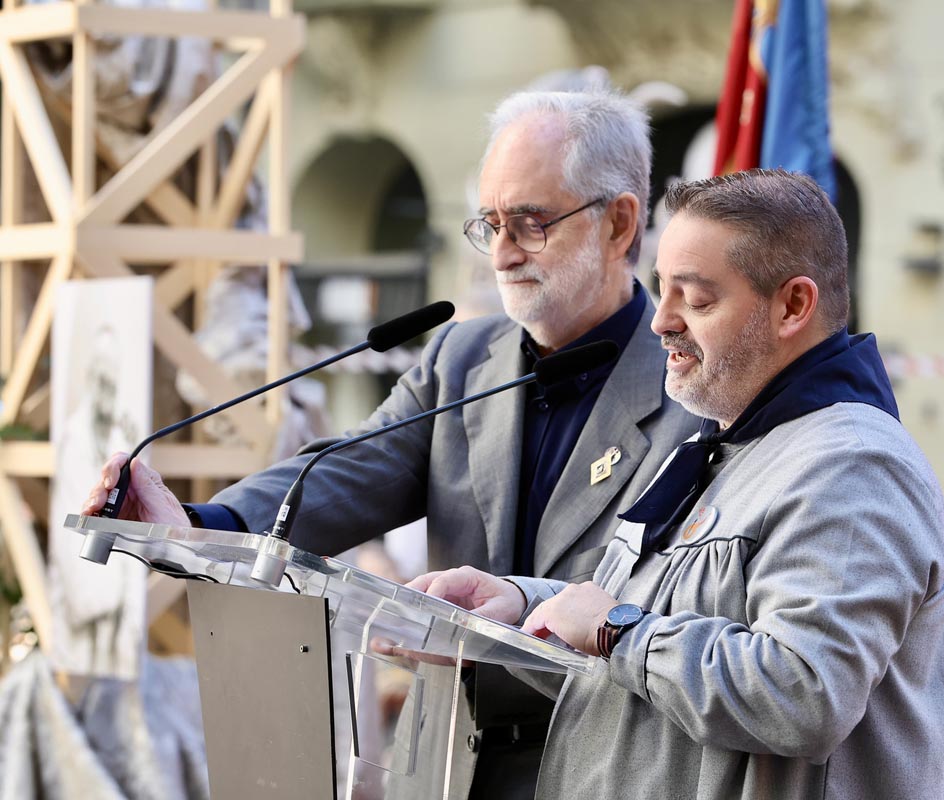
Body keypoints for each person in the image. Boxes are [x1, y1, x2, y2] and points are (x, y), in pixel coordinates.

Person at [81, 90, 699, 799]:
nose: (502, 254)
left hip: (603, 770)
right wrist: (199, 526)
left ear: (619, 224)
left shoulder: (693, 393)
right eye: (489, 223)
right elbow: (344, 470)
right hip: (443, 766)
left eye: (529, 224)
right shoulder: (462, 358)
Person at [409, 168, 944, 800]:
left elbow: (804, 692)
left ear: (794, 306)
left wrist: (617, 630)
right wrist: (520, 608)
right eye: (661, 290)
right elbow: (644, 640)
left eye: (696, 300)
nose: (660, 322)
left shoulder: (855, 466)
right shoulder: (721, 445)